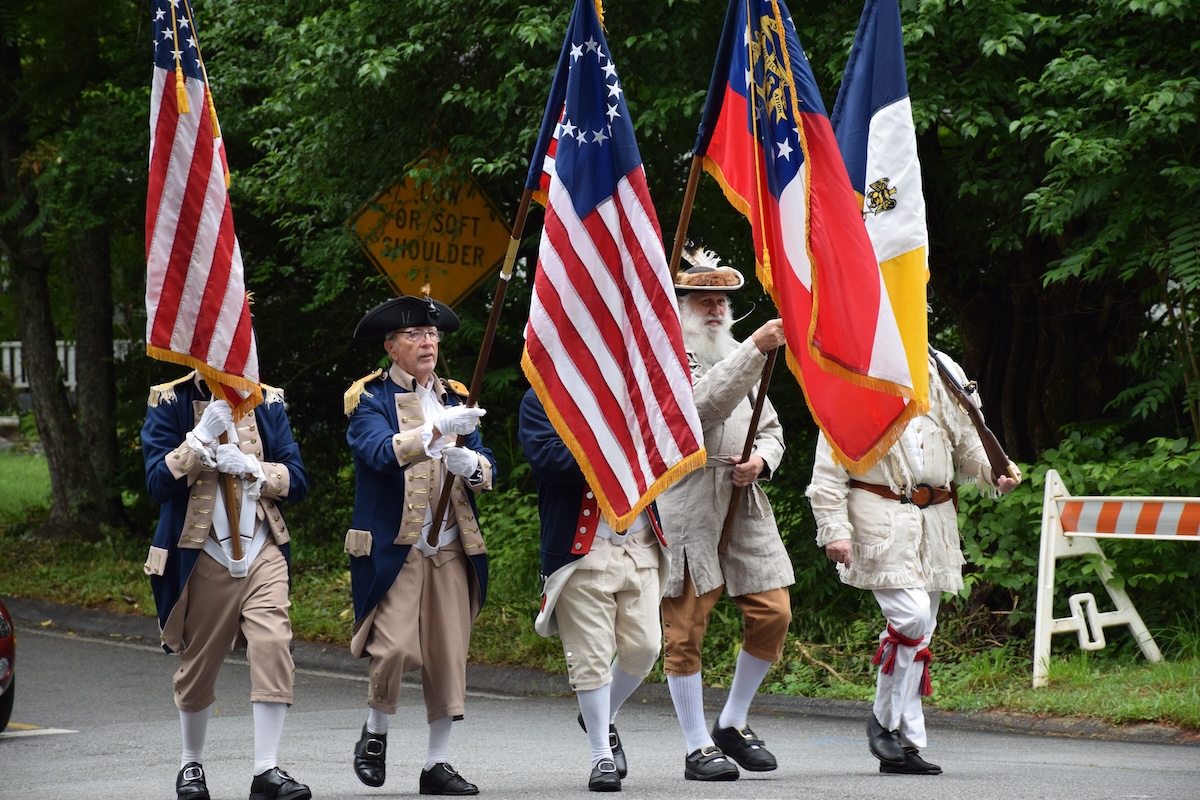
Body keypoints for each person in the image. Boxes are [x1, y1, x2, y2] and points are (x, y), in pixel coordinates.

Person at [805, 348, 1020, 776]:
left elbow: (966, 442)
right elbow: (829, 470)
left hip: (935, 521)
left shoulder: (944, 369)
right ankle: (883, 721)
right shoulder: (857, 372)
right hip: (878, 517)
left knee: (920, 636)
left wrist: (995, 470)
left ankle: (906, 744)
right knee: (912, 617)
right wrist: (834, 529)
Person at [343, 293, 494, 796]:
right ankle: (376, 732)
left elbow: (486, 462)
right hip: (398, 544)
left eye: (431, 335)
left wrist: (474, 467)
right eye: (414, 335)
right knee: (393, 647)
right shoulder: (369, 398)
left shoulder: (456, 395)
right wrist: (436, 431)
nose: (427, 342)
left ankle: (437, 763)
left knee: (448, 654)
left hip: (451, 542)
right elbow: (377, 451)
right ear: (391, 346)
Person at [655, 248, 794, 782]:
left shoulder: (740, 352)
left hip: (745, 500)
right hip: (689, 500)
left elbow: (772, 430)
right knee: (685, 626)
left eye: (721, 303)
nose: (715, 310)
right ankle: (697, 746)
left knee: (774, 612)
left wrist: (760, 460)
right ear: (682, 307)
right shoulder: (667, 357)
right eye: (703, 302)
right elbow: (699, 409)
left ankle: (732, 722)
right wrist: (755, 348)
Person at [141, 371, 311, 800]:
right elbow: (157, 484)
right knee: (199, 663)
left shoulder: (267, 401)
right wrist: (198, 438)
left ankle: (267, 769)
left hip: (263, 548)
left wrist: (254, 468)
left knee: (273, 644)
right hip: (201, 553)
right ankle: (191, 762)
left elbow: (297, 479)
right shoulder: (170, 400)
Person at [518, 388, 669, 792]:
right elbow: (550, 460)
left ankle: (602, 714)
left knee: (645, 648)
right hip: (582, 547)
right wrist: (612, 448)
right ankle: (601, 754)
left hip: (639, 541)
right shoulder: (541, 398)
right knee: (591, 656)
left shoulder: (633, 390)